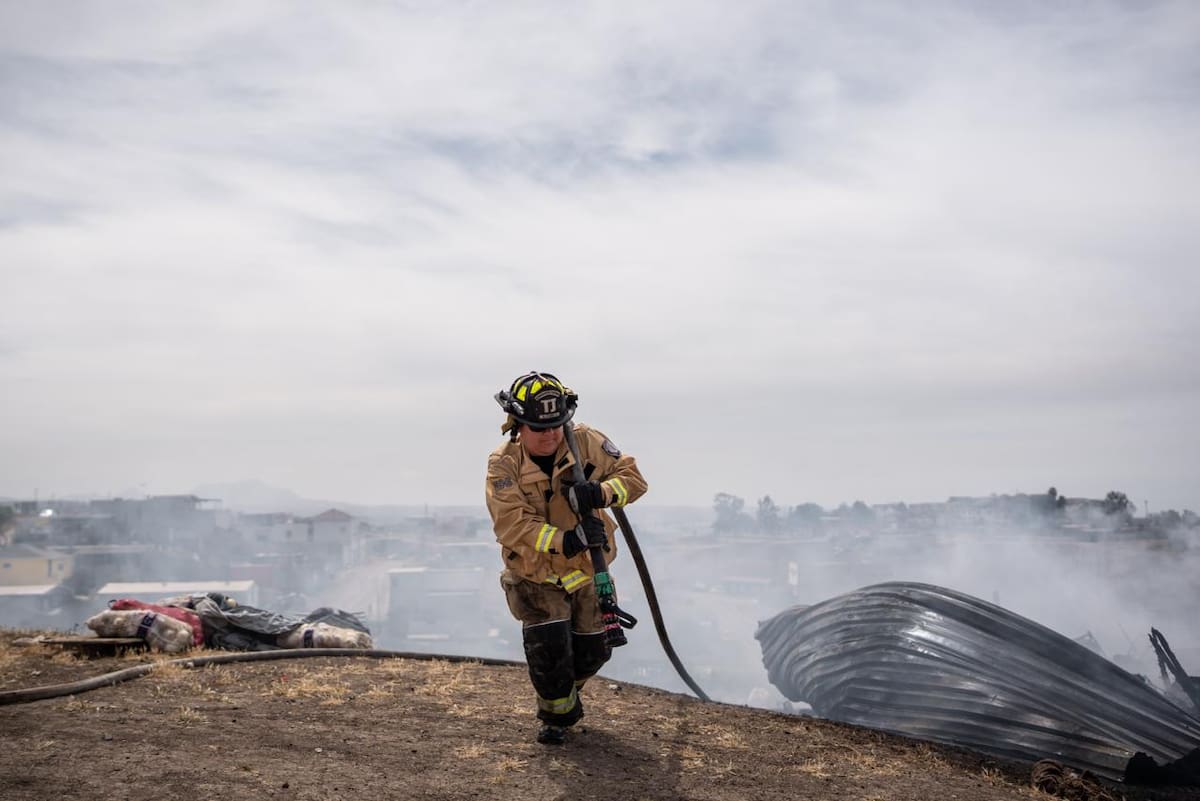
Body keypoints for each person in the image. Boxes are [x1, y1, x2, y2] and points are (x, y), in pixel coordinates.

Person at [485, 370, 648, 745]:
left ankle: (567, 687)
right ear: (517, 425)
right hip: (534, 575)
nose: (551, 434)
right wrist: (567, 539)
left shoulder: (587, 442)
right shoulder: (502, 465)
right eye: (539, 428)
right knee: (550, 653)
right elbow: (512, 525)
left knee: (593, 653)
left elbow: (634, 478)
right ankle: (557, 716)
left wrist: (602, 493)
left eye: (557, 425)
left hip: (588, 572)